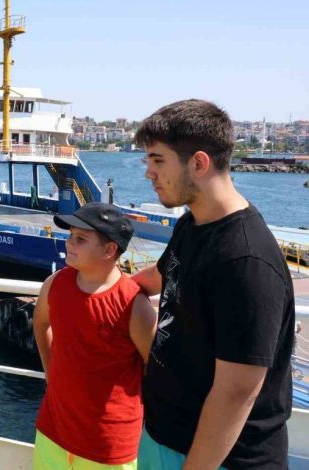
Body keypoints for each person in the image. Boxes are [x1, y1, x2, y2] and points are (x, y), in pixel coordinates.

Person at [131, 99, 295, 469]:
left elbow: (236, 393)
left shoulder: (246, 260)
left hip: (218, 459)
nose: (149, 173)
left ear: (199, 163)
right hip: (162, 436)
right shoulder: (191, 225)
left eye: (157, 160)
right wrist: (95, 286)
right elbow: (160, 277)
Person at [32, 202, 156, 470]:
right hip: (53, 431)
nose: (69, 243)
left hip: (108, 446)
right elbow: (41, 323)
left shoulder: (133, 304)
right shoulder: (56, 283)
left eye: (81, 239)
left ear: (109, 250)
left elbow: (155, 366)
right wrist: (49, 370)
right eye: (70, 235)